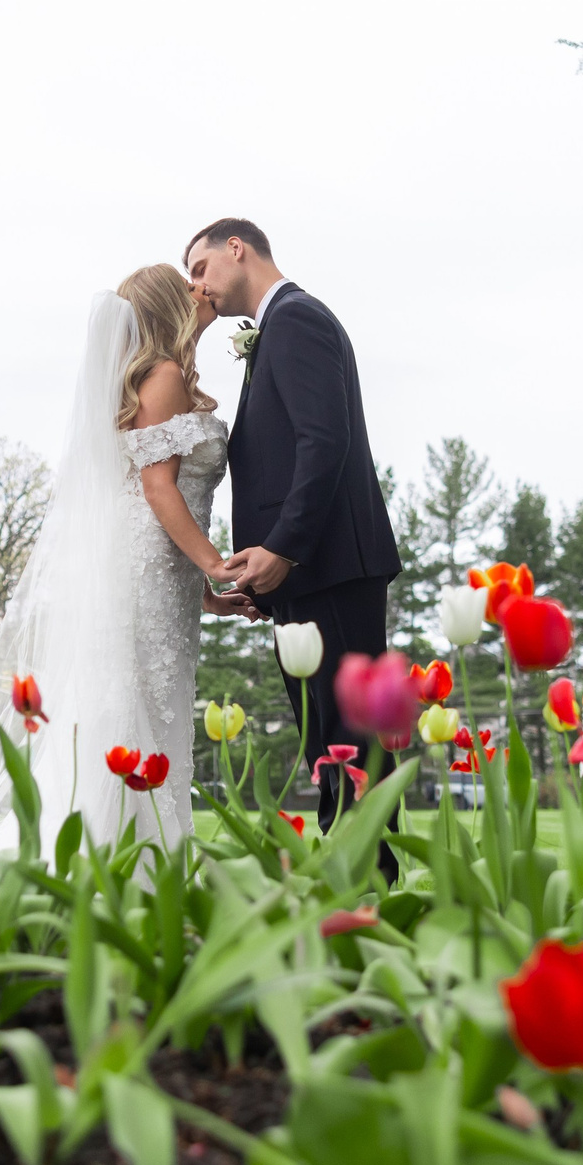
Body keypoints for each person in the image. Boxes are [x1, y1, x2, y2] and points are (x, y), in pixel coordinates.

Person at [0, 266, 253, 849]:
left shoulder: (163, 377)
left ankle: (138, 854)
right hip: (145, 573)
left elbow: (153, 495)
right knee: (133, 709)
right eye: (187, 285)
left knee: (150, 708)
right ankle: (122, 854)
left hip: (160, 575)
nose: (200, 289)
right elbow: (157, 488)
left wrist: (204, 593)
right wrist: (213, 562)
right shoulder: (165, 375)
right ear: (170, 306)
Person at [185, 219, 401, 846]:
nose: (197, 286)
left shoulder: (298, 318)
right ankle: (351, 877)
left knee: (349, 743)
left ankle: (370, 880)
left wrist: (283, 549)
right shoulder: (278, 326)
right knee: (328, 745)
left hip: (328, 568)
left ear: (236, 249)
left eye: (200, 268)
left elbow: (324, 442)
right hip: (309, 574)